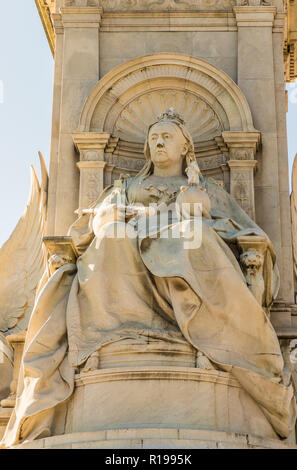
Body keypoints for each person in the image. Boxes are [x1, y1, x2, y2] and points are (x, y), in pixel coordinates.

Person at [1, 109, 296, 447]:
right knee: (111, 238)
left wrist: (193, 213)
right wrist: (122, 217)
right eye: (153, 137)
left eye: (166, 137)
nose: (158, 142)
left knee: (192, 235)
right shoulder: (125, 187)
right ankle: (118, 336)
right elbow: (96, 222)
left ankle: (198, 329)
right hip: (130, 243)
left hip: (186, 243)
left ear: (186, 148)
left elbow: (239, 227)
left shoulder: (205, 188)